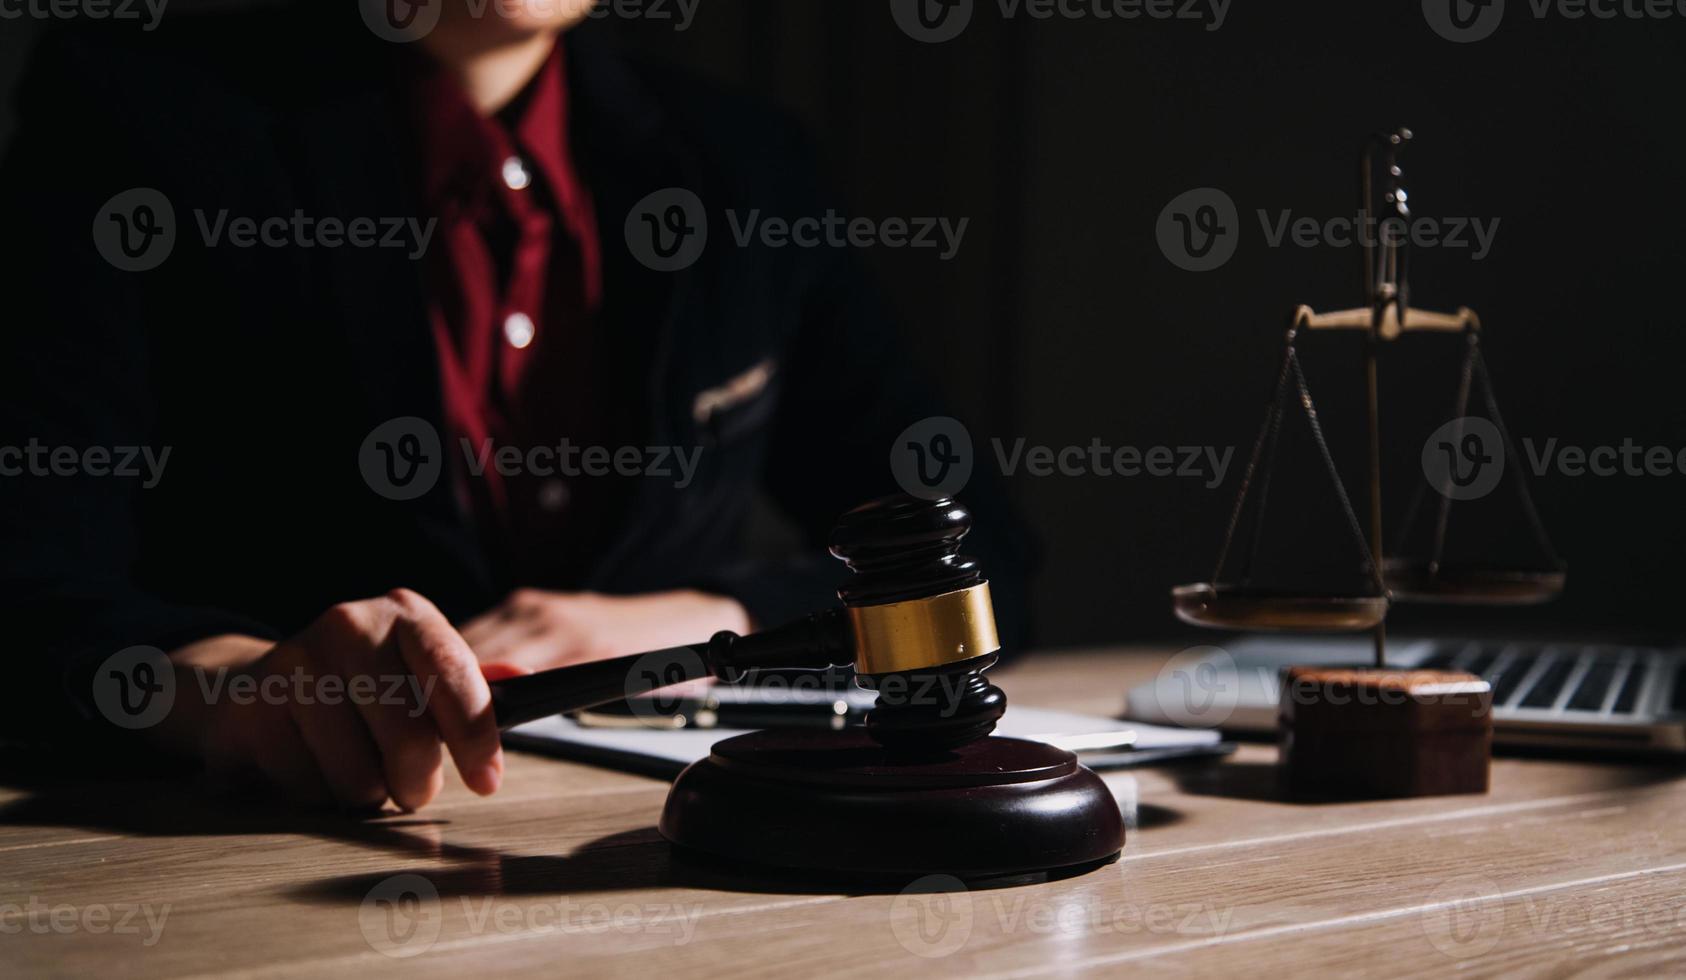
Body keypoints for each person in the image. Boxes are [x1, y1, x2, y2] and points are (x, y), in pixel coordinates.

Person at [0, 3, 1030, 811]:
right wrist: (233, 683)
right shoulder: (138, 115)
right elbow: (25, 575)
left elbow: (985, 548)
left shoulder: (747, 161)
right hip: (262, 848)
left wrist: (712, 623)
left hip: (645, 853)